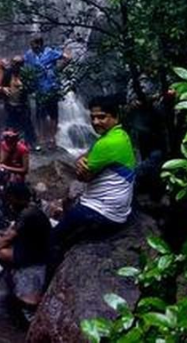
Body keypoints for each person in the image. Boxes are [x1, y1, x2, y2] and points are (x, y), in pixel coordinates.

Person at [49, 95, 135, 272]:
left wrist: (81, 165)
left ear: (115, 117)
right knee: (67, 211)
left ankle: (50, 270)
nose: (96, 121)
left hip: (104, 212)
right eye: (93, 117)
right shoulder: (120, 135)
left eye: (102, 117)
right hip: (118, 208)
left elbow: (83, 177)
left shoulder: (108, 144)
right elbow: (84, 158)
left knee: (54, 237)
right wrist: (82, 162)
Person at [0, 182, 52, 318]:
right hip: (31, 245)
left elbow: (7, 239)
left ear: (17, 198)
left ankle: (14, 269)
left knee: (1, 253)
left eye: (10, 197)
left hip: (35, 255)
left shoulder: (28, 213)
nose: (8, 201)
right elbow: (12, 231)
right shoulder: (29, 209)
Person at [23, 36, 71, 151]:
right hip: (38, 87)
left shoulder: (49, 52)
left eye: (33, 45)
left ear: (39, 44)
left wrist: (57, 70)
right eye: (31, 45)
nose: (32, 47)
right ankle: (41, 138)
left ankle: (52, 138)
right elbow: (23, 62)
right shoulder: (30, 54)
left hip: (51, 87)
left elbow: (67, 58)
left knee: (53, 114)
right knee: (40, 114)